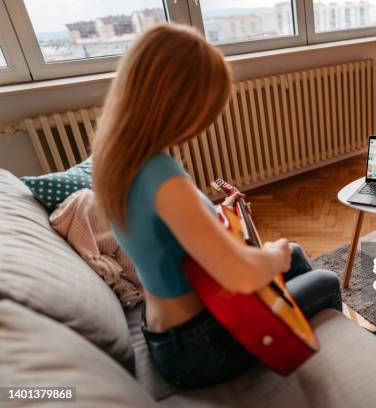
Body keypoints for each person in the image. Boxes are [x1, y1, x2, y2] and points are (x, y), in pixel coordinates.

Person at [92, 25, 352, 389]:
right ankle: (335, 363)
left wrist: (220, 218)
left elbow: (171, 231)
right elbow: (240, 276)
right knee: (319, 278)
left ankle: (298, 333)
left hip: (170, 326)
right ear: (177, 103)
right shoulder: (163, 177)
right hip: (199, 346)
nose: (205, 121)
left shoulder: (115, 159)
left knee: (294, 252)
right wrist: (273, 256)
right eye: (205, 108)